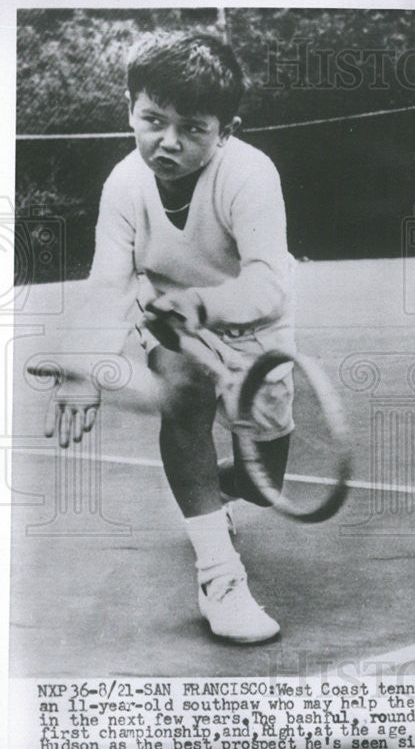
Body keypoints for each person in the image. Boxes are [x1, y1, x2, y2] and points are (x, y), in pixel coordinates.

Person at [41, 33, 296, 644]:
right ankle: (219, 576)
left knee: (265, 486)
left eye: (193, 128)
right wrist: (83, 367)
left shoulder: (250, 175)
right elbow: (108, 282)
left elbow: (268, 282)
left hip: (251, 327)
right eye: (152, 120)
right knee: (183, 395)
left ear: (225, 129)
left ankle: (207, 491)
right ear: (129, 108)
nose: (169, 141)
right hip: (169, 324)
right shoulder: (124, 185)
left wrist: (207, 303)